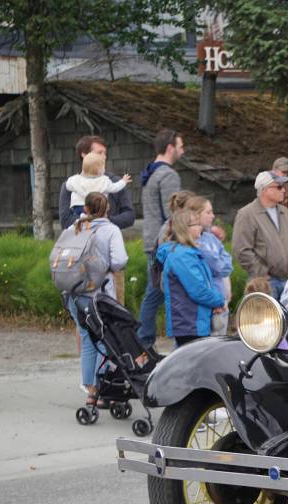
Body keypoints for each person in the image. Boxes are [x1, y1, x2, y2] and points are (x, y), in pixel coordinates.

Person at [65, 193, 129, 406]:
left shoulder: (73, 228)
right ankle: (103, 389)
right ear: (108, 209)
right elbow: (119, 261)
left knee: (86, 338)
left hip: (74, 293)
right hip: (99, 294)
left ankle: (90, 391)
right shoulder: (111, 230)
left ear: (85, 209)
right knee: (104, 337)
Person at [138, 128, 185, 348]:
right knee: (161, 292)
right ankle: (145, 341)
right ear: (170, 148)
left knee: (154, 291)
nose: (182, 152)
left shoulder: (150, 172)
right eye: (180, 147)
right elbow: (172, 214)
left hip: (151, 240)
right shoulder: (168, 175)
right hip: (163, 243)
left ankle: (144, 339)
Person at [155, 208, 225, 347]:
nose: (201, 227)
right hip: (189, 323)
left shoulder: (188, 253)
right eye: (197, 224)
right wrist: (219, 301)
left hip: (193, 321)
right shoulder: (182, 256)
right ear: (185, 228)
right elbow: (198, 290)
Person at [232, 170, 288, 299]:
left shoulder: (286, 213)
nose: (284, 191)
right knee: (266, 319)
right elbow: (241, 250)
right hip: (264, 283)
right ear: (265, 189)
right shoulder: (246, 214)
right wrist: (262, 272)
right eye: (279, 187)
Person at [58, 135, 135, 231]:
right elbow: (65, 221)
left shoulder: (114, 182)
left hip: (107, 239)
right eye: (99, 153)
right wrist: (95, 220)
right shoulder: (70, 185)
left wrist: (105, 221)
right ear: (84, 155)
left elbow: (129, 216)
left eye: (105, 153)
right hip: (80, 242)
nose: (104, 157)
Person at [185, 195, 233, 335]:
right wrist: (219, 262)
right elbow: (215, 265)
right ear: (196, 215)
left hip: (222, 301)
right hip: (210, 304)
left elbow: (227, 262)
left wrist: (220, 263)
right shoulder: (194, 242)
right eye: (208, 212)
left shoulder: (211, 238)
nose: (212, 216)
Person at [64, 152, 131, 217]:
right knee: (96, 219)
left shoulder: (75, 179)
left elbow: (68, 186)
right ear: (100, 170)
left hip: (78, 207)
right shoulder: (103, 181)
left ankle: (83, 219)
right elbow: (114, 188)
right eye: (104, 167)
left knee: (82, 220)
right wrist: (123, 181)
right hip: (96, 208)